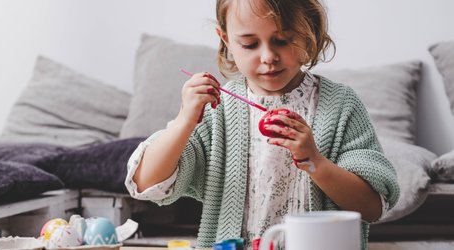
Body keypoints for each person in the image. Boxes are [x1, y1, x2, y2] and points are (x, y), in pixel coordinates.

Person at [125, 0, 399, 249]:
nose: (268, 56)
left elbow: (372, 207)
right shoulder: (216, 112)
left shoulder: (340, 105)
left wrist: (315, 161)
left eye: (282, 40)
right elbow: (147, 183)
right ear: (226, 39)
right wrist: (185, 121)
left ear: (308, 33)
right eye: (249, 44)